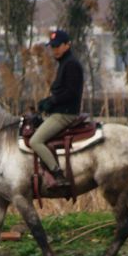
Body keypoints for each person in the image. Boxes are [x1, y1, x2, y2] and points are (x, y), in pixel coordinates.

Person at [31, 29, 84, 188]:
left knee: (36, 141)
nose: (54, 49)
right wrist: (47, 102)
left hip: (65, 114)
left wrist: (51, 102)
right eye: (52, 46)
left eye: (57, 46)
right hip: (59, 111)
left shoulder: (71, 64)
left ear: (68, 45)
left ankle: (58, 174)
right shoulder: (64, 64)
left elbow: (71, 93)